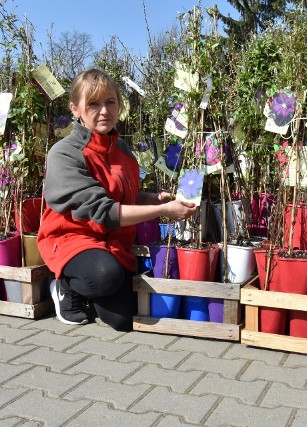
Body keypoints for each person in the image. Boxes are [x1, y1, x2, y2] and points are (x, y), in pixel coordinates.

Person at [38, 68, 197, 331]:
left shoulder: (122, 150)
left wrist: (156, 199)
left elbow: (125, 197)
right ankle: (65, 287)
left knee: (123, 320)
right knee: (104, 276)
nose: (104, 111)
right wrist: (164, 211)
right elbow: (104, 211)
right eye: (93, 103)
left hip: (113, 243)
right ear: (75, 109)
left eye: (110, 102)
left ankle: (94, 286)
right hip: (72, 239)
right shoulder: (65, 154)